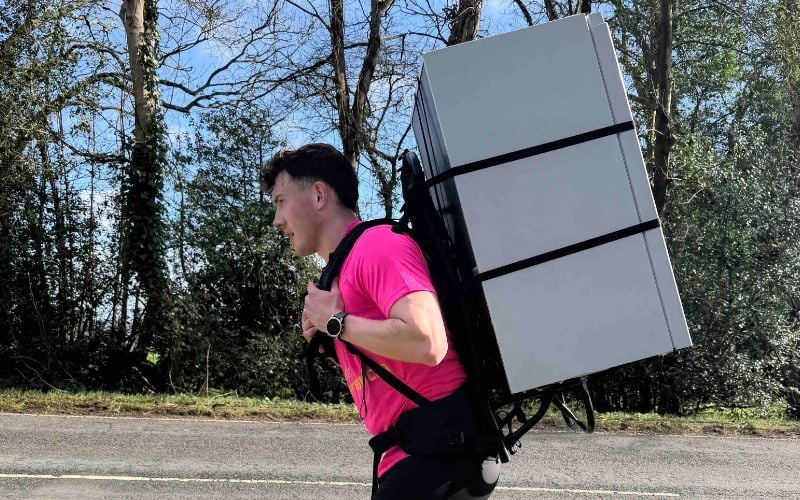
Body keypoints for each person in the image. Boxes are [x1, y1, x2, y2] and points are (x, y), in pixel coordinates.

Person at [260, 143, 500, 499]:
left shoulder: (377, 247)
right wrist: (330, 341)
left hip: (440, 454)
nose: (277, 220)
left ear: (319, 194)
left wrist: (337, 323)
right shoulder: (342, 270)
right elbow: (393, 359)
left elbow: (427, 341)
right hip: (419, 458)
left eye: (280, 201)